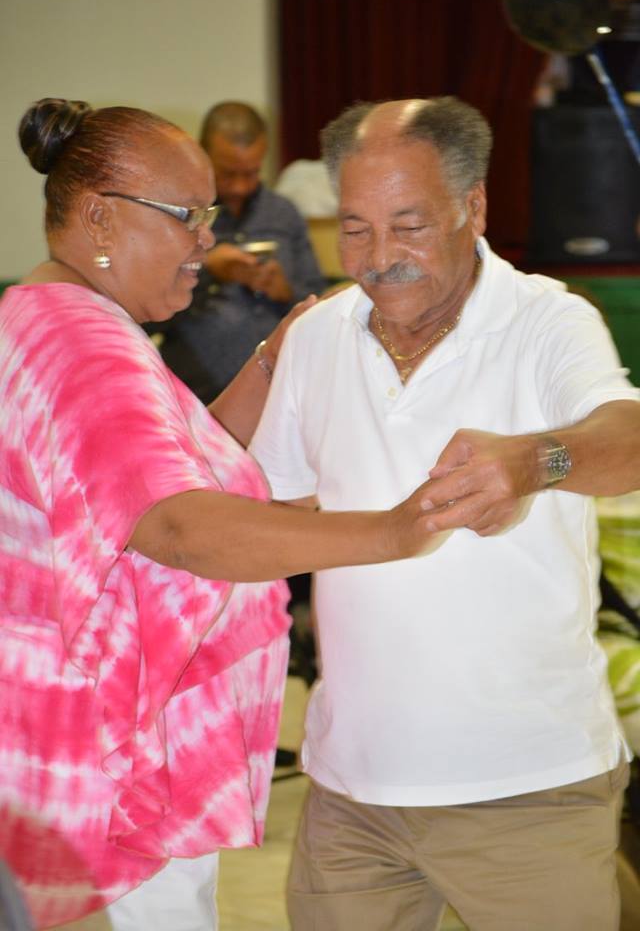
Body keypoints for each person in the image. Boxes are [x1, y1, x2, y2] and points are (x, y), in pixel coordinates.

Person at [0, 98, 438, 931]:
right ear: (100, 216)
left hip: (77, 735)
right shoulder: (84, 341)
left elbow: (169, 462)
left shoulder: (46, 311)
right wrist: (393, 531)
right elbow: (178, 524)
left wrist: (273, 359)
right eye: (187, 216)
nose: (207, 239)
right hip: (108, 756)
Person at [249, 96, 640, 931]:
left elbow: (629, 439)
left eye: (410, 226)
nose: (380, 257)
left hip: (527, 788)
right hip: (352, 792)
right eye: (356, 229)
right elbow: (276, 505)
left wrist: (536, 460)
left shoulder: (546, 319)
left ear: (475, 207)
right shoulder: (318, 336)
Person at [157, 101, 326, 403]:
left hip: (280, 392)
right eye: (228, 173)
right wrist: (208, 271)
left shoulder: (283, 213)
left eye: (251, 173)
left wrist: (285, 291)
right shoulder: (177, 214)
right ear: (202, 155)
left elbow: (320, 303)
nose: (239, 187)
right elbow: (148, 315)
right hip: (196, 396)